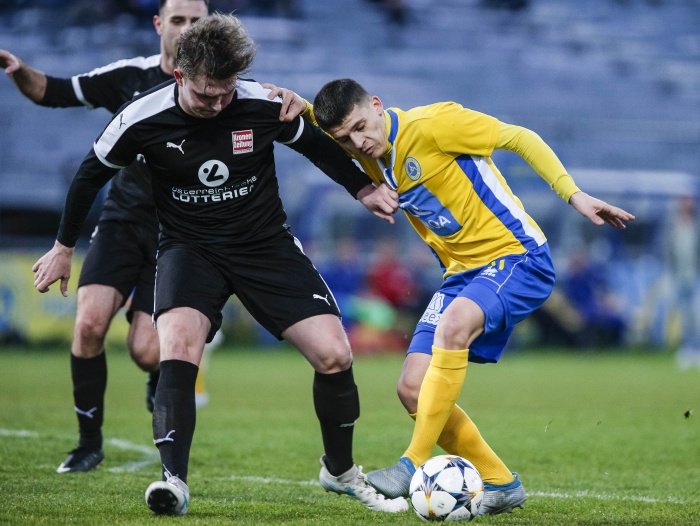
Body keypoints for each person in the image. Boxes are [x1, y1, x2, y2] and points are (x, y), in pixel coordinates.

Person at [32, 14, 407, 516]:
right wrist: (63, 247)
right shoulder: (141, 117)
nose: (217, 104)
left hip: (264, 245)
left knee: (335, 355)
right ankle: (173, 481)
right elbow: (88, 176)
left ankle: (339, 471)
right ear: (180, 75)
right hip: (189, 249)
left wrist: (362, 189)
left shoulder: (262, 103)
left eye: (226, 92)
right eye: (206, 94)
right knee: (177, 349)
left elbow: (317, 145)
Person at [283, 77, 634, 516]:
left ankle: (412, 463)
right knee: (412, 389)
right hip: (461, 276)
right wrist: (296, 101)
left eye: (360, 127)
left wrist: (572, 194)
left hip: (516, 256)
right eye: (345, 139)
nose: (358, 143)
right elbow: (319, 120)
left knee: (452, 327)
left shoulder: (434, 124)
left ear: (376, 105)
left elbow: (520, 137)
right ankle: (501, 483)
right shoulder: (366, 149)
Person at [0, 0, 214, 474]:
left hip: (177, 233)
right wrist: (19, 70)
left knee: (146, 350)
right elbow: (55, 91)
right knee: (89, 325)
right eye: (178, 20)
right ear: (158, 24)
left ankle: (157, 372)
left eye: (197, 21)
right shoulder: (129, 77)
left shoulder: (218, 88)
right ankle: (88, 443)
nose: (187, 29)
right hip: (122, 221)